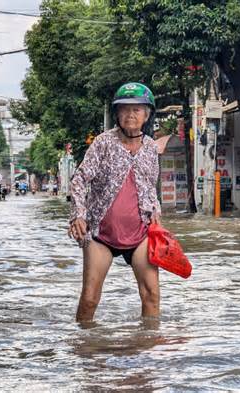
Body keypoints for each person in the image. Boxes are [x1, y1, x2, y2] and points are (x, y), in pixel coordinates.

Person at [69, 82, 161, 323]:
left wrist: (157, 216)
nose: (131, 115)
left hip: (141, 233)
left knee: (151, 295)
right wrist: (78, 214)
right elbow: (79, 180)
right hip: (101, 235)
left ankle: (148, 350)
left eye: (137, 110)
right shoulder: (103, 142)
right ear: (117, 114)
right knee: (89, 299)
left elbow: (151, 187)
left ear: (147, 114)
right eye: (125, 109)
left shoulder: (151, 147)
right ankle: (84, 348)